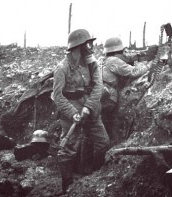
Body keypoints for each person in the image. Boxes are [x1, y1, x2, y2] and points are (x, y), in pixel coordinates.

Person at [53, 29, 110, 193]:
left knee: (103, 142)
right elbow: (57, 97)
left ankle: (96, 176)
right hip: (71, 114)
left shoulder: (91, 63)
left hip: (91, 111)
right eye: (87, 44)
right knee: (67, 150)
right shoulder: (62, 68)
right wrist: (73, 112)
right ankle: (67, 187)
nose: (90, 47)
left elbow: (98, 87)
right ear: (78, 47)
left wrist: (88, 107)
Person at [100, 37, 156, 145]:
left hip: (99, 97)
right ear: (117, 52)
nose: (125, 55)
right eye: (122, 52)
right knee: (109, 127)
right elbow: (134, 72)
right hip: (108, 99)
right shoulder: (114, 61)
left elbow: (128, 58)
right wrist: (149, 64)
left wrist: (138, 56)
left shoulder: (104, 59)